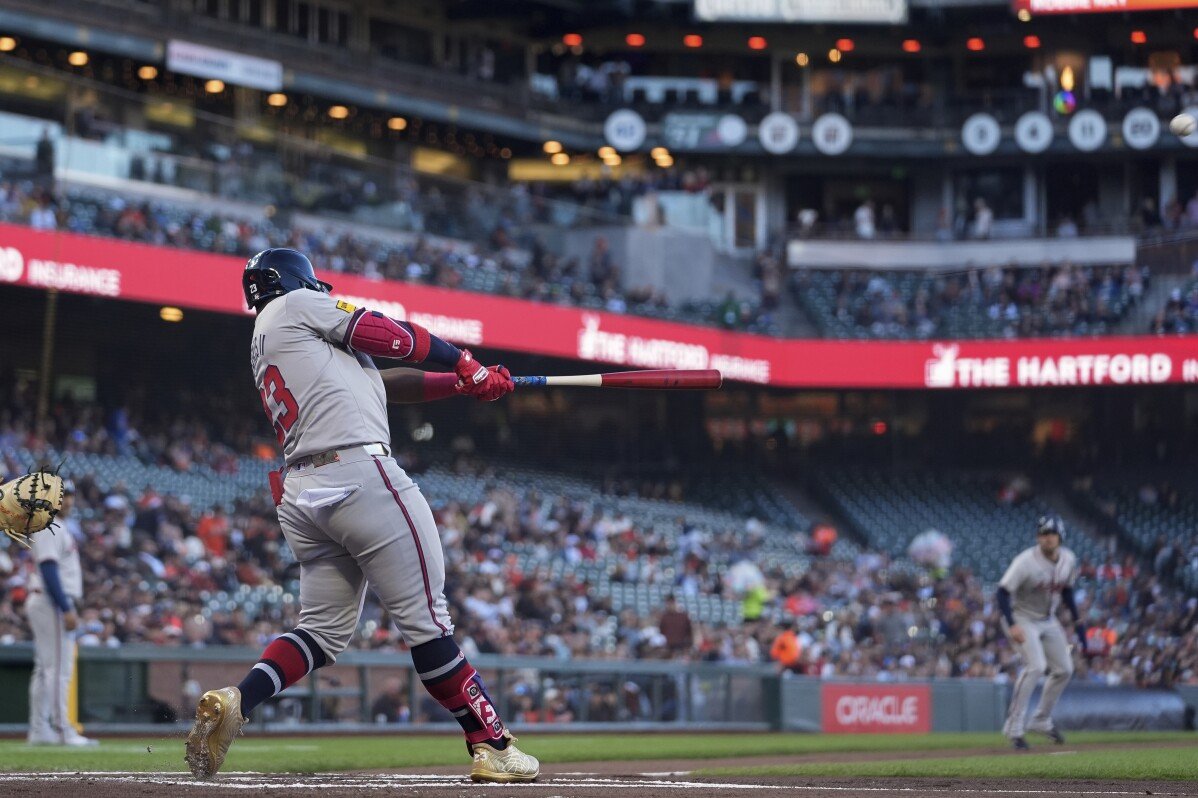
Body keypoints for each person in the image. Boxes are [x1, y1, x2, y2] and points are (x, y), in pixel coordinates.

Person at [184, 248, 539, 782]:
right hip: (359, 474)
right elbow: (381, 332)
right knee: (428, 621)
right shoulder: (301, 304)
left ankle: (239, 700)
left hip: (304, 492)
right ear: (298, 281)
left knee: (321, 632)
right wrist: (461, 358)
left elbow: (385, 383)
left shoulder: (271, 336)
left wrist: (463, 383)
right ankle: (491, 744)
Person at [996, 515, 1085, 750]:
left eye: (1052, 534)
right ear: (1038, 537)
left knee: (1065, 669)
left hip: (1048, 619)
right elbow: (1002, 592)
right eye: (1043, 534)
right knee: (1035, 666)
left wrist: (1077, 619)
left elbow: (1066, 590)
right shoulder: (1025, 561)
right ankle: (1014, 727)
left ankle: (1041, 719)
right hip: (1021, 617)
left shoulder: (1069, 559)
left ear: (1060, 537)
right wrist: (1012, 624)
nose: (1047, 539)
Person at [25, 480, 97, 746]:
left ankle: (40, 729)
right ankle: (62, 730)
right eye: (61, 496)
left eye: (70, 496)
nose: (67, 501)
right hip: (52, 601)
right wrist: (66, 608)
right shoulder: (49, 524)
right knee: (58, 669)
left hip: (46, 600)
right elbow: (48, 568)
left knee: (45, 668)